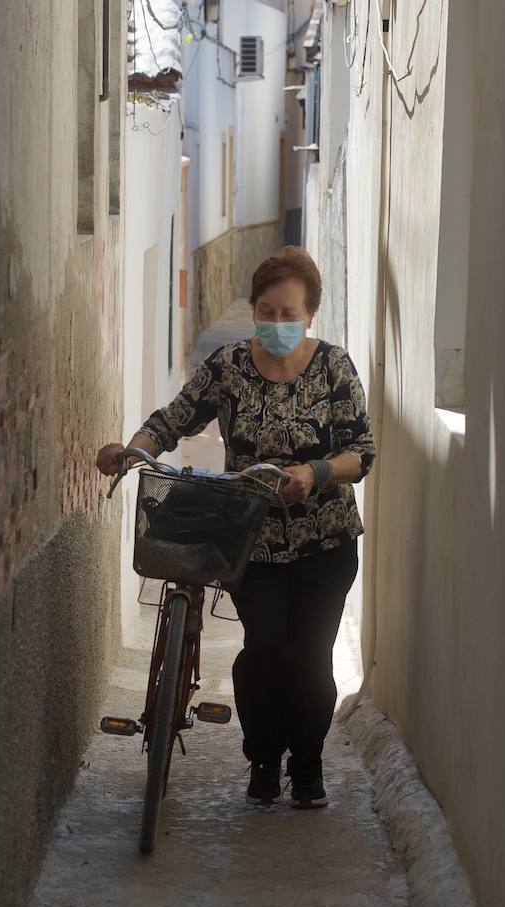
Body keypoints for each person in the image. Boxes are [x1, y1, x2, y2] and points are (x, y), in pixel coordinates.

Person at [95, 246, 376, 809]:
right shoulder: (229, 368)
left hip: (326, 541)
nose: (276, 324)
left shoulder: (334, 368)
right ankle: (264, 758)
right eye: (266, 312)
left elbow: (362, 451)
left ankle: (309, 763)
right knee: (266, 649)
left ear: (310, 315)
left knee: (311, 657)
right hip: (251, 544)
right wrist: (134, 450)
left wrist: (315, 472)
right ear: (254, 311)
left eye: (287, 313)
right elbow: (171, 420)